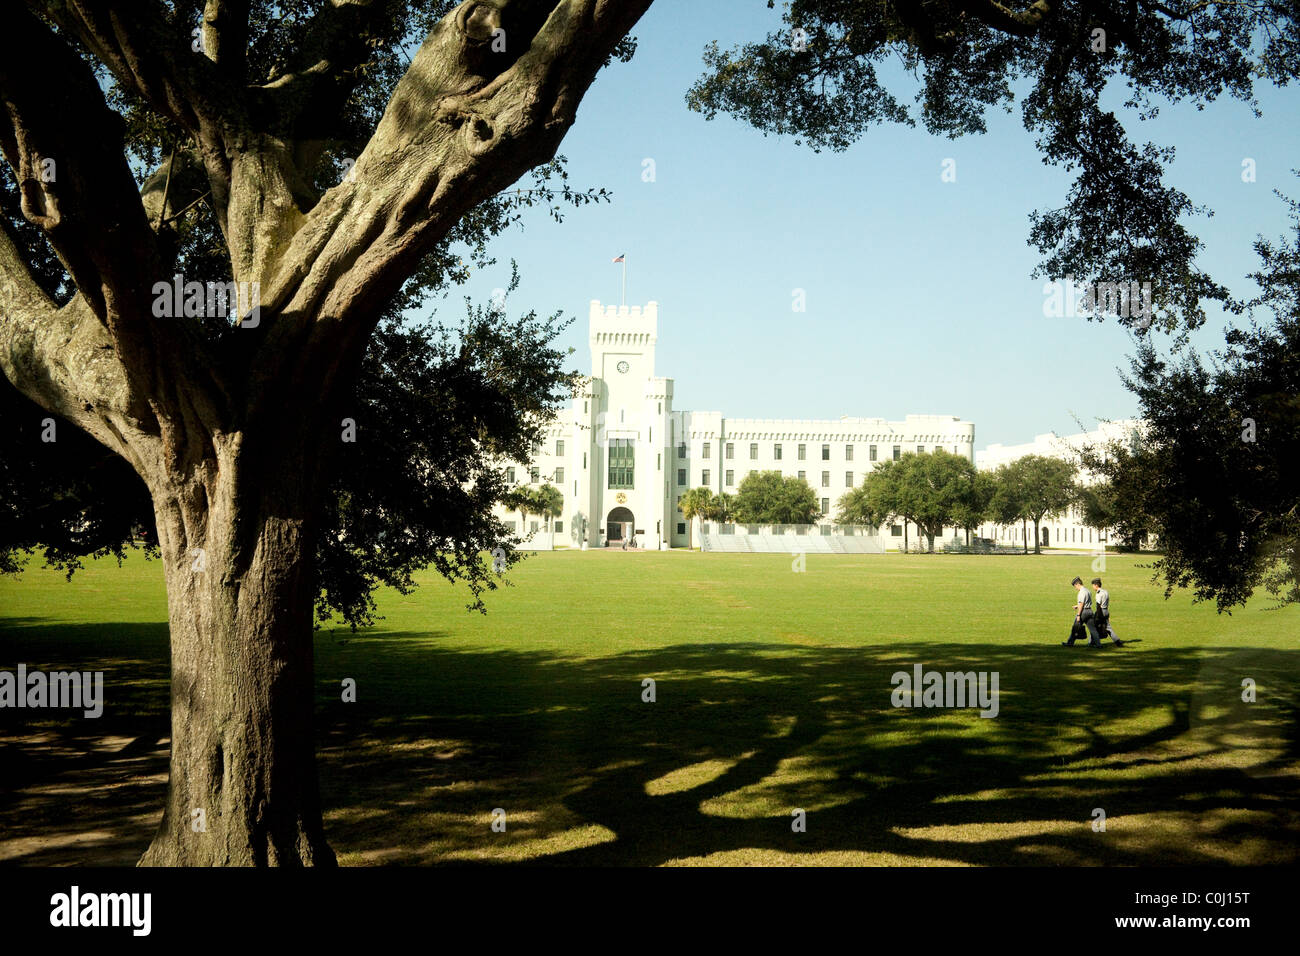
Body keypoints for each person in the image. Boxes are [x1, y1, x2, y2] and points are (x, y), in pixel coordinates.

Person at [1062, 575, 1102, 647]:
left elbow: (1082, 603)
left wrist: (1078, 615)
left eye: (1075, 586)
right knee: (1093, 629)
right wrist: (1077, 606)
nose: (1075, 588)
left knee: (1075, 627)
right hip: (1090, 611)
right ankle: (1098, 644)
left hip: (1084, 612)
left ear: (1078, 584)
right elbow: (1086, 602)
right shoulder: (1088, 591)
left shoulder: (1081, 592)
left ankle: (1070, 643)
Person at [1091, 578, 1124, 646]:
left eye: (1093, 585)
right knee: (1108, 628)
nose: (1093, 587)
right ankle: (1118, 642)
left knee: (1094, 627)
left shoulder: (1098, 593)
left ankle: (1092, 643)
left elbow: (1098, 605)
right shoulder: (1106, 592)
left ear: (1096, 585)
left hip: (1100, 612)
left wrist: (1098, 616)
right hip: (1106, 610)